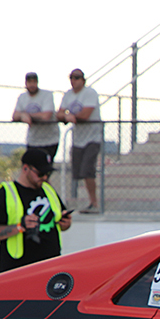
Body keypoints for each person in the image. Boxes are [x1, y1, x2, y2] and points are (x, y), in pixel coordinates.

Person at [0, 148, 73, 274]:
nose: (45, 177)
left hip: (50, 267)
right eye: (41, 174)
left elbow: (59, 221)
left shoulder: (48, 190)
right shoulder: (5, 193)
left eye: (48, 174)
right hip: (17, 269)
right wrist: (20, 227)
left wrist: (66, 224)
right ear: (25, 169)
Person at [59, 68, 102, 213]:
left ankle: (94, 203)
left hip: (93, 137)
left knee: (87, 170)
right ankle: (84, 202)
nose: (74, 80)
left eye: (77, 78)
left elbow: (86, 114)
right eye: (71, 77)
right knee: (78, 172)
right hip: (78, 139)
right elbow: (59, 113)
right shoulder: (68, 95)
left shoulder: (90, 93)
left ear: (83, 80)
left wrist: (70, 115)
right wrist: (66, 116)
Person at [12, 72, 59, 162]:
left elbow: (46, 116)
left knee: (44, 169)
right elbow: (15, 115)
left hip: (49, 140)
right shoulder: (22, 97)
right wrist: (22, 115)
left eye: (34, 82)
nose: (32, 85)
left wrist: (28, 115)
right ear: (26, 83)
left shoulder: (46, 95)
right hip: (33, 140)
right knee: (31, 169)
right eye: (29, 82)